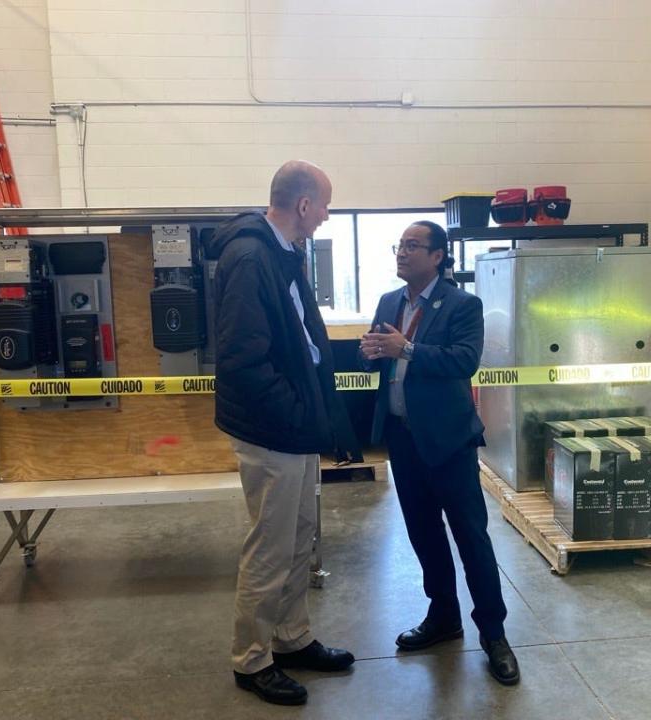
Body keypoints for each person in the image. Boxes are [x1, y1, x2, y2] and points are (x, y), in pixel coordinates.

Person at [211, 160, 355, 706]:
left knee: (299, 539)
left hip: (294, 429)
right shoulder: (250, 258)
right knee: (271, 547)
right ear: (302, 205)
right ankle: (251, 660)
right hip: (274, 431)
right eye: (324, 206)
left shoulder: (281, 254)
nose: (325, 216)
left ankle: (291, 639)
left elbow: (300, 340)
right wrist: (297, 413)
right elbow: (245, 362)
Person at [359, 221, 520, 686]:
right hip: (403, 440)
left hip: (448, 442)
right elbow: (375, 355)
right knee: (424, 535)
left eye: (413, 246)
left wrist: (405, 347)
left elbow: (463, 360)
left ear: (438, 257)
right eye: (400, 245)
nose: (403, 253)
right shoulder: (391, 301)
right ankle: (444, 617)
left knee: (471, 538)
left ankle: (494, 635)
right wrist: (369, 352)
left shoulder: (463, 305)